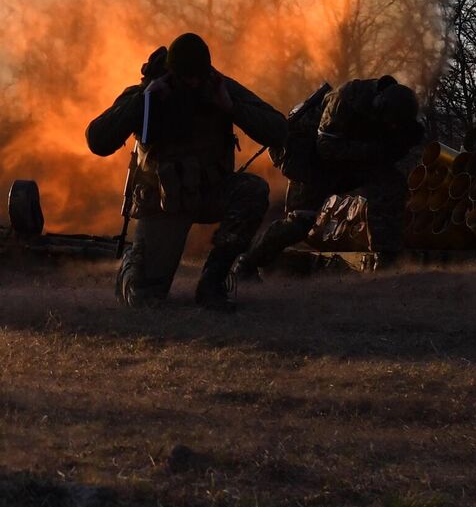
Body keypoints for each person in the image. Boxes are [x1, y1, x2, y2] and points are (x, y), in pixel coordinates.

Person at [86, 33, 287, 311]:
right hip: (163, 203)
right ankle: (133, 264)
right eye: (185, 77)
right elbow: (97, 140)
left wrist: (231, 108)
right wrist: (142, 103)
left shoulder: (219, 88)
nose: (192, 84)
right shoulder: (147, 93)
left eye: (198, 77)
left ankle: (213, 283)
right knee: (146, 300)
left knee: (252, 190)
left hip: (209, 193)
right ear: (171, 73)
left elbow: (278, 130)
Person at [237, 75, 425, 278]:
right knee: (300, 223)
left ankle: (388, 258)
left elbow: (389, 147)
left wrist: (396, 146)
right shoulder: (344, 99)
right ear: (380, 106)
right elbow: (326, 147)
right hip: (308, 159)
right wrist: (376, 152)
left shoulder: (394, 114)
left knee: (390, 184)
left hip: (348, 158)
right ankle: (248, 263)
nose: (391, 128)